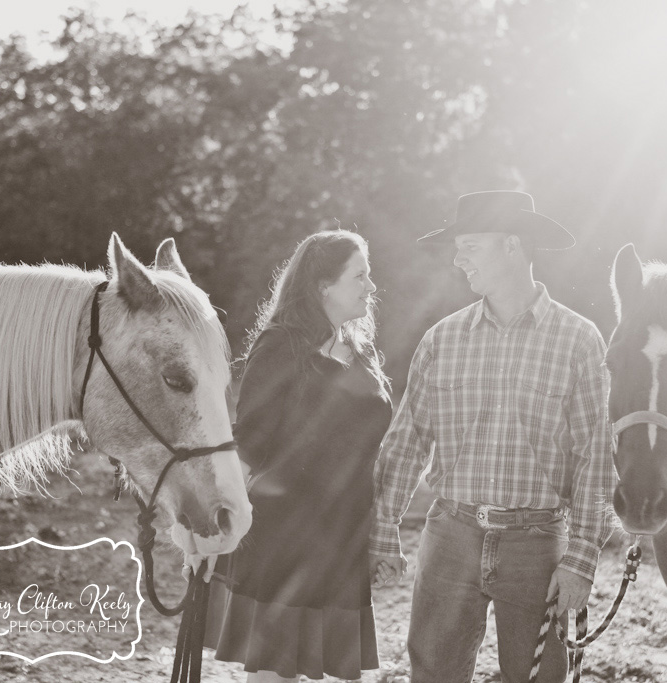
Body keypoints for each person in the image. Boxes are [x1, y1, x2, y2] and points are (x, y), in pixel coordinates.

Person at [370, 191, 615, 683]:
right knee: (433, 675)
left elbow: (595, 456)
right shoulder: (442, 339)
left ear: (512, 246)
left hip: (538, 543)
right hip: (450, 536)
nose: (458, 260)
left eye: (470, 246)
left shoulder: (579, 340)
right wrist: (383, 530)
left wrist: (581, 557)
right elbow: (407, 441)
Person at [206, 229, 392, 682]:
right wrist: (212, 526)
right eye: (360, 276)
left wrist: (382, 533)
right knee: (275, 675)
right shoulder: (279, 347)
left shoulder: (361, 351)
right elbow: (248, 443)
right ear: (322, 285)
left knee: (336, 673)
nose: (371, 286)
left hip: (343, 540)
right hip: (285, 541)